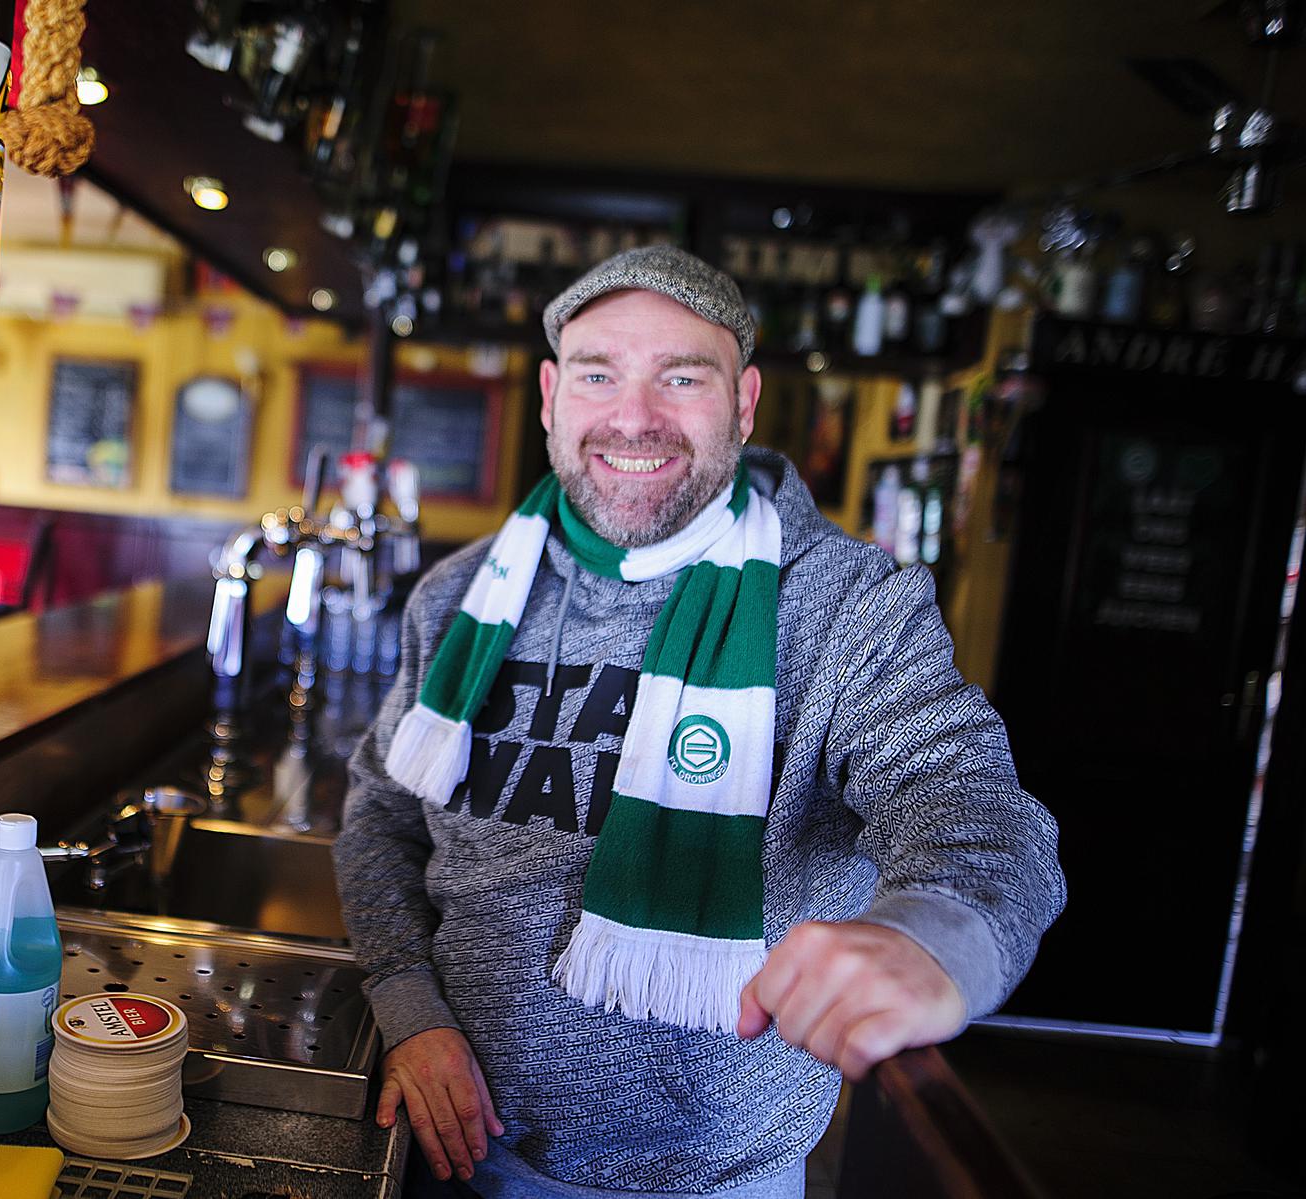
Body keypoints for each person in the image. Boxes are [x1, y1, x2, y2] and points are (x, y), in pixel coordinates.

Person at [332, 245, 1066, 1199]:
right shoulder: (460, 596)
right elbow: (381, 813)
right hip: (453, 1152)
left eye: (682, 377)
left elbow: (966, 799)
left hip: (721, 1184)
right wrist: (407, 1006)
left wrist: (932, 935)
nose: (633, 417)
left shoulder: (849, 606)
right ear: (552, 396)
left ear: (745, 401)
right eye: (600, 375)